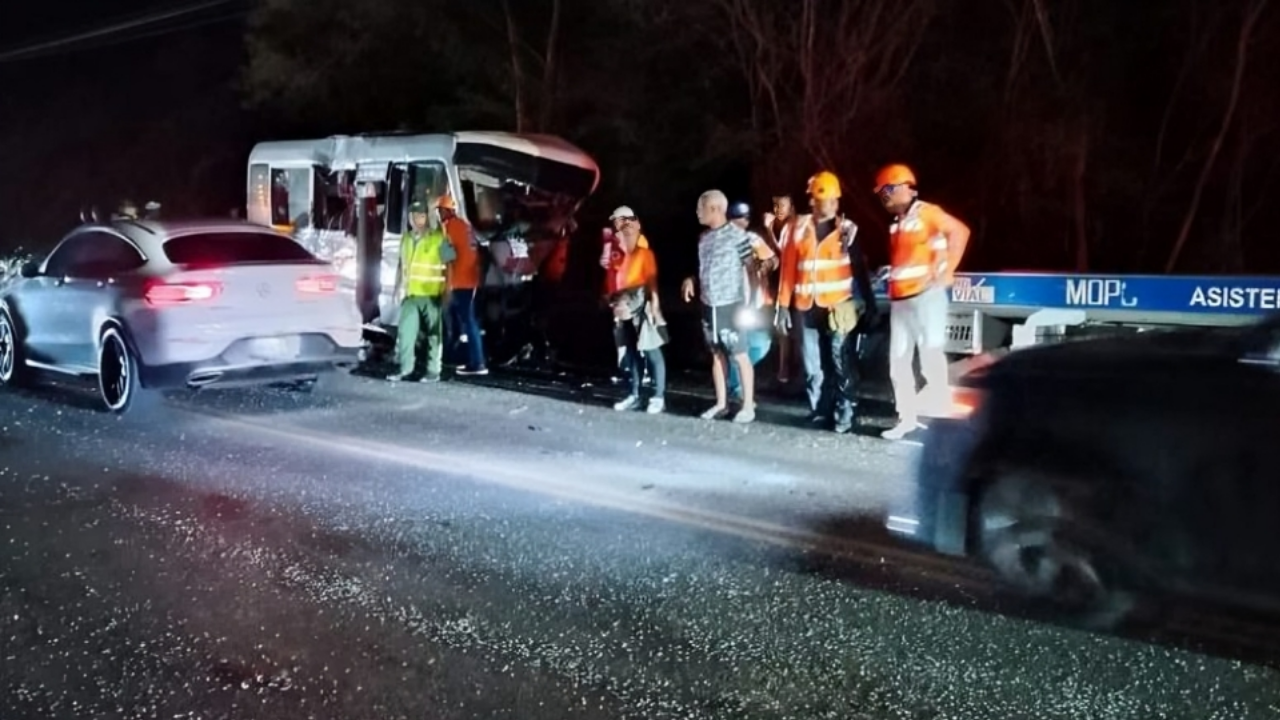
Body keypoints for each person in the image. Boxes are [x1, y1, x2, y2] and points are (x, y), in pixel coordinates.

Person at [775, 171, 877, 434]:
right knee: (813, 366)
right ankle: (820, 410)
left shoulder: (846, 230)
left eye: (834, 200)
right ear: (812, 200)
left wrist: (869, 302)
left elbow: (859, 268)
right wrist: (782, 306)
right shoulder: (796, 229)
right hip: (806, 306)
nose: (832, 205)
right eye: (826, 200)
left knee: (840, 361)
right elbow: (787, 270)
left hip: (837, 307)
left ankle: (845, 410)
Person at [874, 163, 971, 440]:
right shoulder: (898, 223)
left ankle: (942, 421)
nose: (883, 198)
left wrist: (948, 270)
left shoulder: (927, 213)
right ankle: (906, 419)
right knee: (898, 362)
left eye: (886, 191)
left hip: (926, 296)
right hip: (902, 299)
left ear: (901, 188)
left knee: (930, 357)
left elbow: (960, 232)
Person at [681, 190, 758, 423]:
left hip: (731, 304)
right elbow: (702, 268)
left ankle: (747, 406)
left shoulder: (738, 236)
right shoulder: (704, 239)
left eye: (700, 208)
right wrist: (691, 280)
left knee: (740, 354)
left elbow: (752, 269)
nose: (697, 213)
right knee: (716, 354)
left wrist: (751, 303)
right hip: (709, 303)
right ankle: (721, 403)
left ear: (714, 209)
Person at [388, 199, 457, 383]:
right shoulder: (406, 239)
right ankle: (405, 369)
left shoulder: (439, 238)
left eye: (422, 216)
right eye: (416, 216)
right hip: (411, 294)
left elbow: (450, 265)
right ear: (410, 218)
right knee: (406, 332)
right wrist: (397, 287)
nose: (419, 220)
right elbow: (401, 264)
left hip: (432, 295)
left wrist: (448, 290)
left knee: (435, 335)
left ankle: (433, 371)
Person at [607, 218, 667, 413]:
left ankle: (658, 396)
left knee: (651, 350)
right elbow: (615, 282)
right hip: (624, 304)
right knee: (632, 352)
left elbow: (651, 281)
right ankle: (634, 394)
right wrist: (614, 304)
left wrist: (654, 305)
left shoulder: (644, 254)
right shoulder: (621, 257)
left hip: (641, 301)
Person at [724, 201, 777, 406]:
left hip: (756, 301)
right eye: (738, 218)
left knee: (761, 344)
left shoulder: (753, 239)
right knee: (738, 345)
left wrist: (765, 264)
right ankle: (737, 388)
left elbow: (773, 260)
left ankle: (736, 378)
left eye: (746, 218)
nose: (743, 222)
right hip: (733, 301)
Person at [438, 194, 488, 376]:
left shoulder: (449, 228)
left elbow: (448, 258)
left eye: (440, 210)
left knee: (468, 321)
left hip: (460, 280)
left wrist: (447, 286)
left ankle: (477, 362)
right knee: (468, 321)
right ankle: (471, 359)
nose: (439, 214)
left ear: (445, 211)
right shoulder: (466, 226)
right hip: (472, 279)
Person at [763, 194, 798, 383]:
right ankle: (783, 367)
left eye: (782, 205)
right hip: (778, 285)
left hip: (795, 286)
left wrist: (769, 230)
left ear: (791, 207)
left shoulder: (796, 227)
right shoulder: (777, 226)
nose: (777, 209)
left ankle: (788, 368)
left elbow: (783, 254)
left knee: (788, 328)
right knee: (781, 328)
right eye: (775, 205)